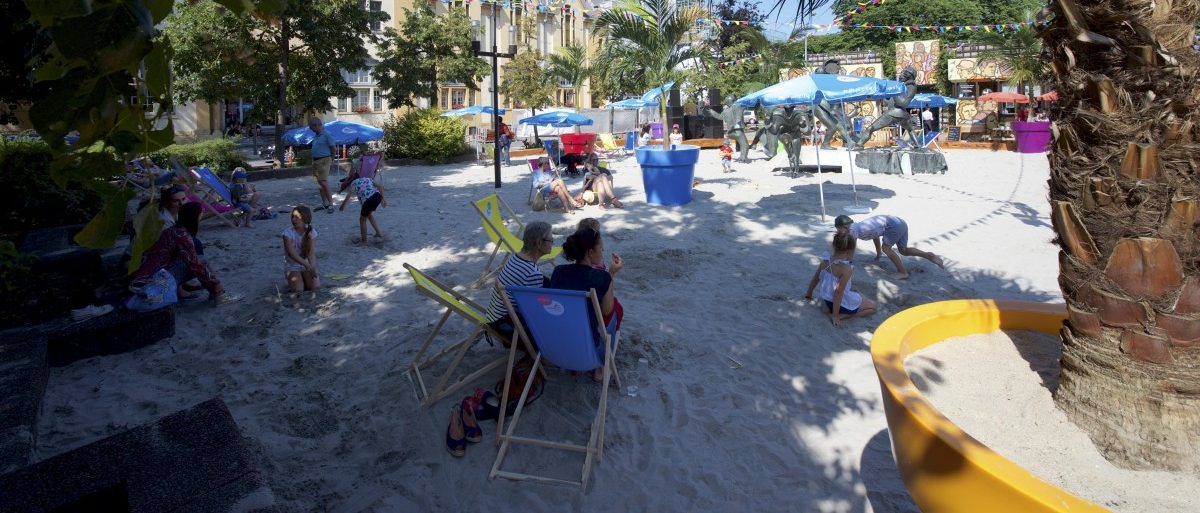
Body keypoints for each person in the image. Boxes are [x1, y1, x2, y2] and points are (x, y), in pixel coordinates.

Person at [132, 202, 231, 303]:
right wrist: (216, 284)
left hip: (146, 274)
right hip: (152, 279)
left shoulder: (172, 230)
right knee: (200, 262)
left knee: (196, 259)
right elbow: (196, 265)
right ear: (196, 217)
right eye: (201, 213)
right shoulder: (182, 237)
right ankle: (219, 294)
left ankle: (211, 291)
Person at [483, 221, 553, 345]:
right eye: (551, 240)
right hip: (506, 326)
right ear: (539, 243)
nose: (553, 242)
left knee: (546, 282)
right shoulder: (533, 273)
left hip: (493, 316)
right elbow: (534, 311)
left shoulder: (515, 257)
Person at [551, 227, 624, 331]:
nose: (602, 251)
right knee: (617, 309)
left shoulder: (558, 271)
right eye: (601, 248)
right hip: (586, 336)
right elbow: (607, 312)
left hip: (559, 329)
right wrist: (611, 273)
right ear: (590, 252)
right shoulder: (601, 277)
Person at [835, 214, 944, 280]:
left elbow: (851, 249)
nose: (840, 232)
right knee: (903, 250)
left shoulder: (852, 232)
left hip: (893, 225)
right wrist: (878, 255)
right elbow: (875, 236)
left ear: (844, 227)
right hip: (900, 222)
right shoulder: (859, 226)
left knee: (886, 248)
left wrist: (847, 263)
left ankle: (902, 272)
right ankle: (928, 255)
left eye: (840, 229)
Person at [803, 232, 877, 327]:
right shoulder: (846, 269)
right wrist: (835, 316)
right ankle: (845, 316)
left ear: (833, 246)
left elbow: (815, 279)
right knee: (872, 308)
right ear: (849, 251)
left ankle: (828, 309)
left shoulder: (825, 261)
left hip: (826, 299)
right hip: (839, 304)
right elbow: (838, 292)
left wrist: (808, 294)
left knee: (858, 297)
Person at [338, 169, 386, 244]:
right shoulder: (367, 179)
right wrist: (383, 199)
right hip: (377, 196)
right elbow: (380, 186)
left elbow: (349, 195)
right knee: (368, 214)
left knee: (362, 220)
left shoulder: (353, 182)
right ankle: (378, 233)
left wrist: (343, 205)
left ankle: (364, 241)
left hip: (368, 200)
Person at [282, 205, 320, 293]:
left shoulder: (312, 232)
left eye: (297, 217)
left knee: (315, 287)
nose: (293, 220)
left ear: (305, 219)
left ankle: (302, 279)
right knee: (298, 290)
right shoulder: (287, 233)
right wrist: (307, 265)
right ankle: (297, 280)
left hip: (306, 264)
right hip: (292, 265)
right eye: (292, 217)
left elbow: (311, 252)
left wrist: (312, 267)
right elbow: (292, 254)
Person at [308, 117, 337, 211]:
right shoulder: (316, 136)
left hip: (324, 160)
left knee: (323, 182)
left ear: (316, 125)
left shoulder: (326, 135)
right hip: (315, 162)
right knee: (319, 183)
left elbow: (333, 148)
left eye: (311, 127)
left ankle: (331, 204)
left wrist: (331, 159)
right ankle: (325, 204)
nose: (311, 129)